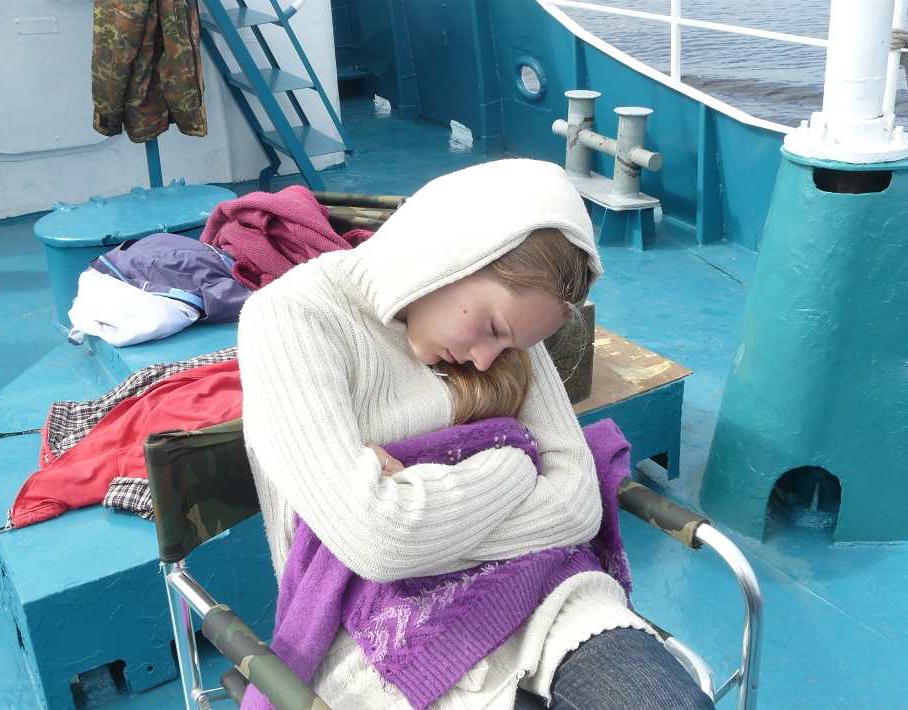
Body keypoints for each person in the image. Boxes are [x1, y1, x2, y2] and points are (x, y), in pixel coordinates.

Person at [238, 159, 715, 709]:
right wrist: (513, 467)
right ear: (451, 256)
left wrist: (424, 503)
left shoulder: (511, 320)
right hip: (379, 628)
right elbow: (378, 543)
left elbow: (578, 505)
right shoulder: (293, 319)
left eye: (507, 345)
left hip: (548, 588)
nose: (487, 360)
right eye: (491, 329)